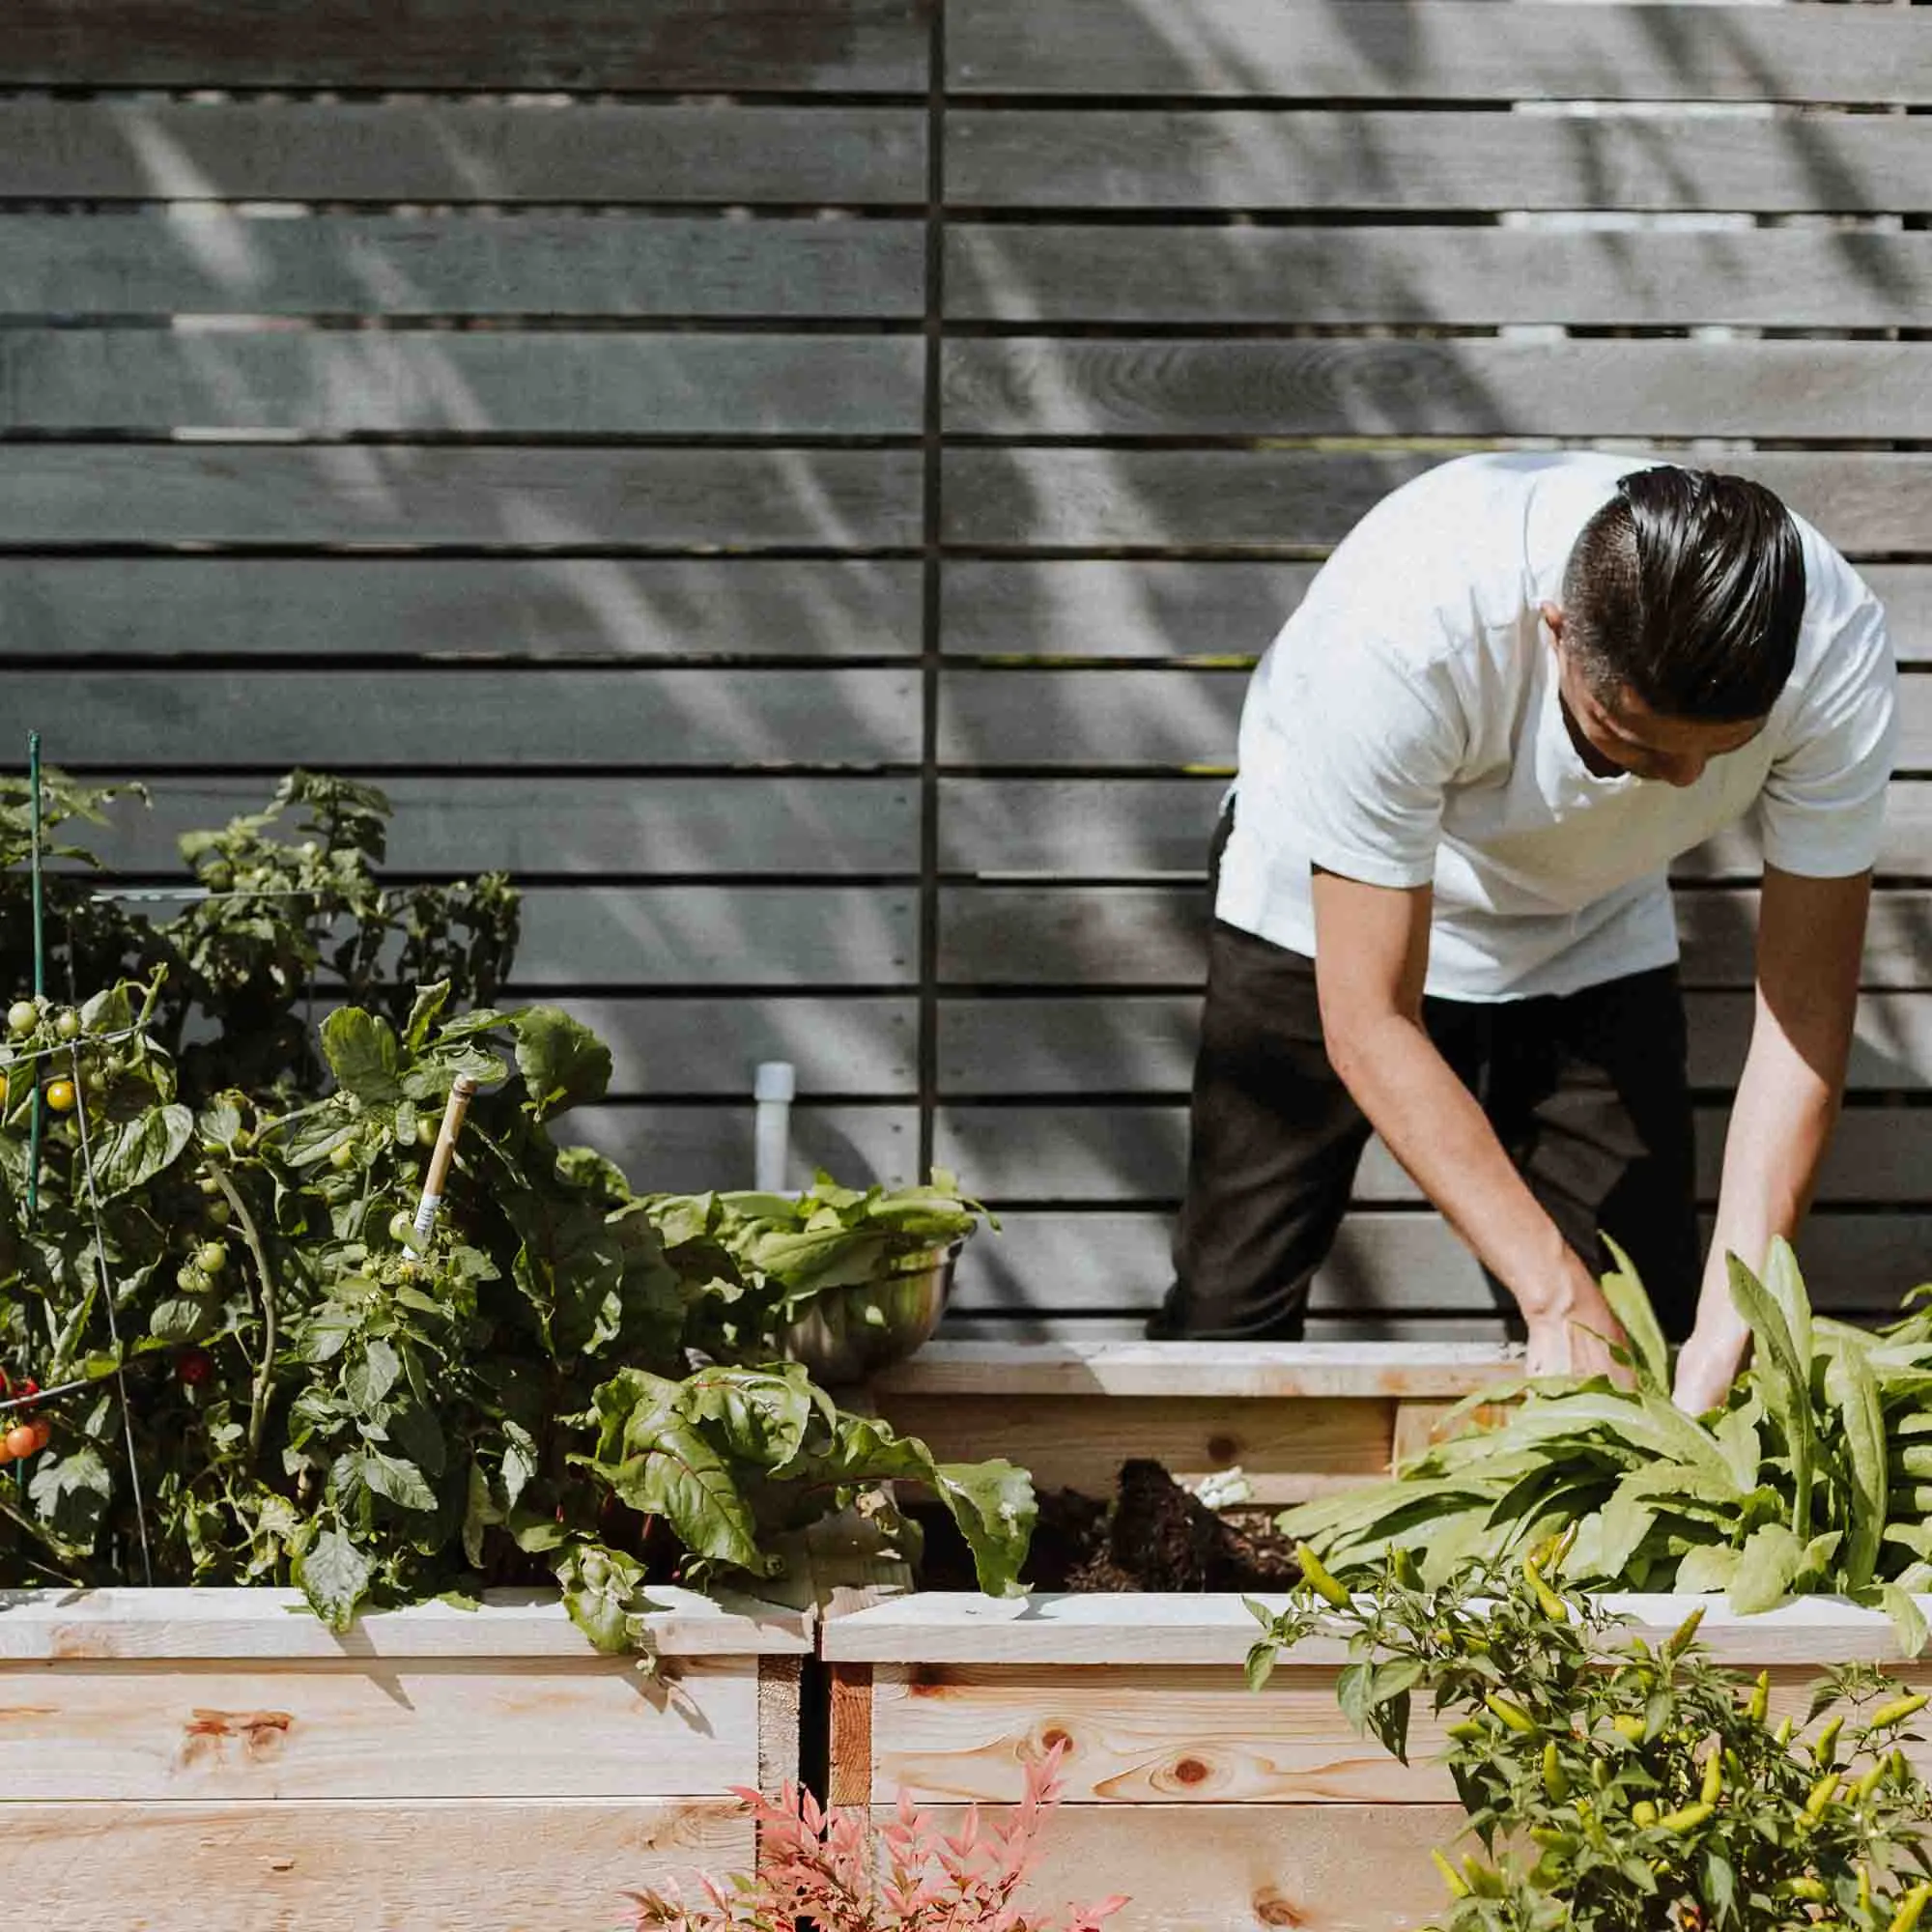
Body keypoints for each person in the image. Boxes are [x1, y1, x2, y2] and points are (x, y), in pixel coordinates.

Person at [1148, 452, 1896, 1413]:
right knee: (1228, 1308)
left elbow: (1800, 1016)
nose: (1675, 785)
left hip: (1588, 918)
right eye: (1626, 740)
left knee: (1638, 1328)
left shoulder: (1829, 647)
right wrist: (1548, 1290)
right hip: (1318, 909)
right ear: (1557, 631)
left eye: (1717, 753)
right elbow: (1369, 1019)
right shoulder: (1407, 626)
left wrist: (1733, 1309)